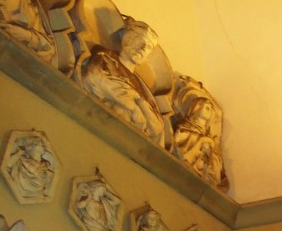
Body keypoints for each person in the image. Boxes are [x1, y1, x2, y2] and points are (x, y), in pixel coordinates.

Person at [79, 19, 165, 147]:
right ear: (127, 39)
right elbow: (94, 77)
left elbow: (157, 127)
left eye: (148, 47)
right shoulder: (105, 57)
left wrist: (137, 98)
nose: (142, 48)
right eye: (139, 40)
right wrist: (134, 107)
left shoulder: (142, 87)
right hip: (96, 124)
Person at [171, 76, 230, 192]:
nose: (208, 108)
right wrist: (201, 142)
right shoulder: (184, 128)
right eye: (204, 106)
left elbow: (217, 169)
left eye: (210, 108)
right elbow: (178, 148)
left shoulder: (210, 138)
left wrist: (210, 151)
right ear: (194, 108)